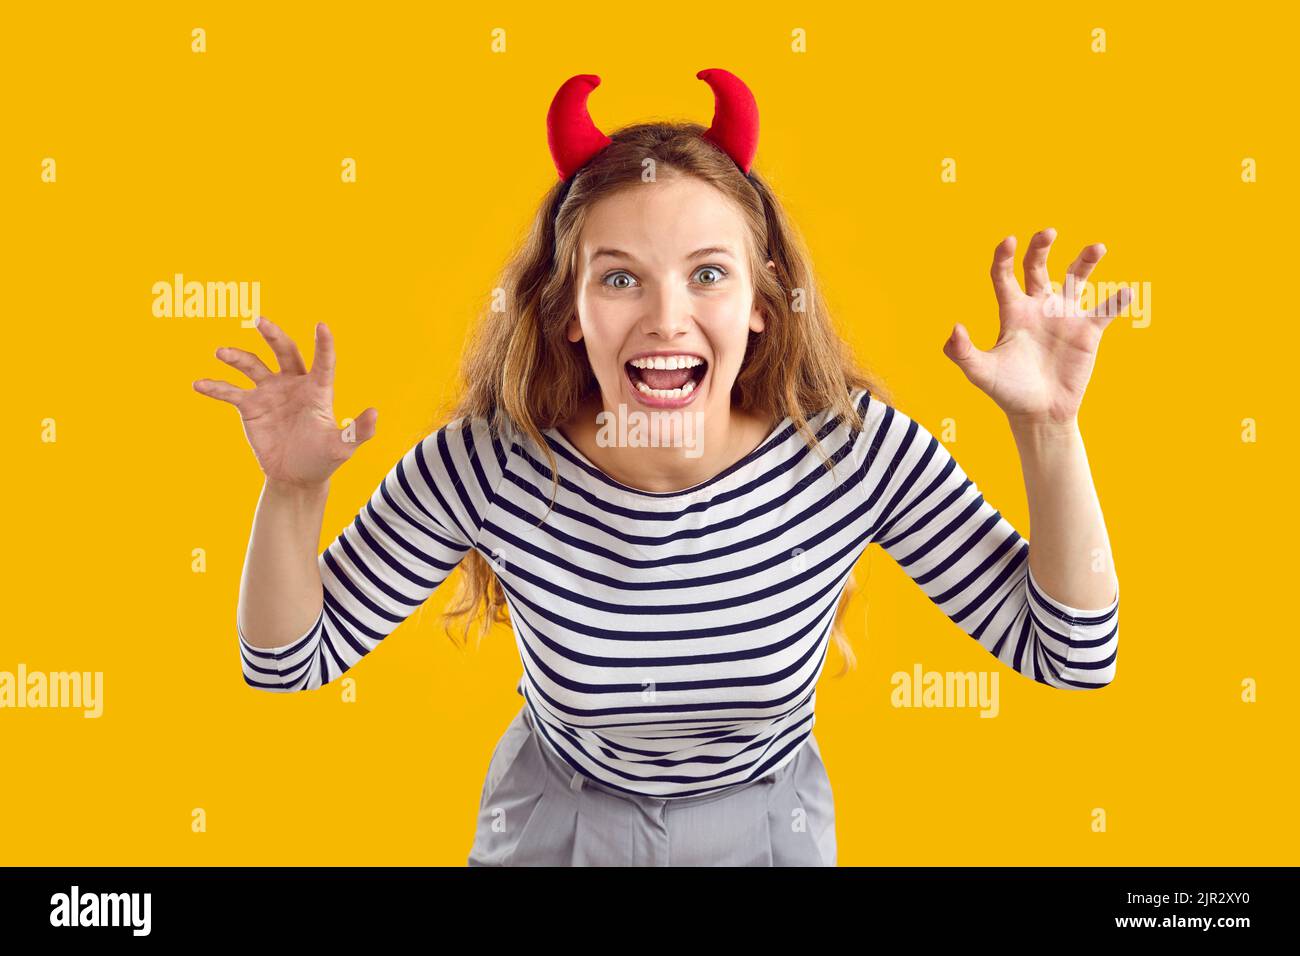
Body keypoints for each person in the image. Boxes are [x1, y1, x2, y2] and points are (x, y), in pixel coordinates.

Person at [192, 68, 1121, 866]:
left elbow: (1072, 655)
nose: (667, 317)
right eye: (621, 277)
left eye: (708, 274)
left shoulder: (847, 450)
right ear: (568, 313)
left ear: (761, 305)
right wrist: (293, 490)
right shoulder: (490, 464)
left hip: (769, 830)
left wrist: (1048, 429)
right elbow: (287, 665)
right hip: (552, 831)